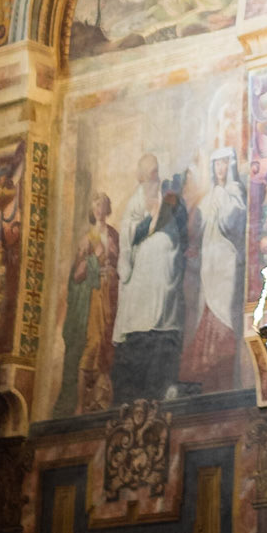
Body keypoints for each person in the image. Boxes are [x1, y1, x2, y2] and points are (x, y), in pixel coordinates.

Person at [111, 154, 187, 402]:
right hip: (143, 272)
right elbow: (129, 234)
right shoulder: (136, 201)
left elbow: (181, 220)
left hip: (165, 268)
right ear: (141, 176)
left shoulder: (167, 192)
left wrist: (168, 209)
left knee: (164, 315)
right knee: (141, 321)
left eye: (156, 171)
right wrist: (150, 220)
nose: (154, 176)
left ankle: (162, 384)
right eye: (150, 173)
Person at [181, 147, 249, 391]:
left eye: (224, 163)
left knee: (224, 309)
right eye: (216, 164)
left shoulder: (234, 192)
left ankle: (225, 367)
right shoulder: (210, 197)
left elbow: (233, 223)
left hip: (226, 260)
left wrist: (222, 197)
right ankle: (209, 370)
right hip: (210, 261)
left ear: (230, 166)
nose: (220, 168)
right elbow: (197, 230)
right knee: (206, 307)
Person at [55, 192, 119, 416]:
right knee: (93, 343)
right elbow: (77, 274)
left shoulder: (113, 234)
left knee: (107, 344)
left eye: (102, 204)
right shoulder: (87, 238)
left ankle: (102, 399)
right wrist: (93, 262)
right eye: (96, 205)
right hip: (95, 295)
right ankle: (82, 403)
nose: (99, 209)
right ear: (92, 211)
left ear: (107, 208)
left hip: (112, 293)